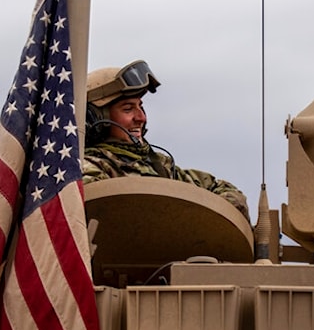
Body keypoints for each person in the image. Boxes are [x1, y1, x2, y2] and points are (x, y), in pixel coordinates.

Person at [81, 60, 249, 219]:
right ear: (96, 118)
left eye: (141, 106)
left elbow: (225, 191)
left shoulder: (161, 165)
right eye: (128, 109)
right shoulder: (89, 168)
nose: (141, 118)